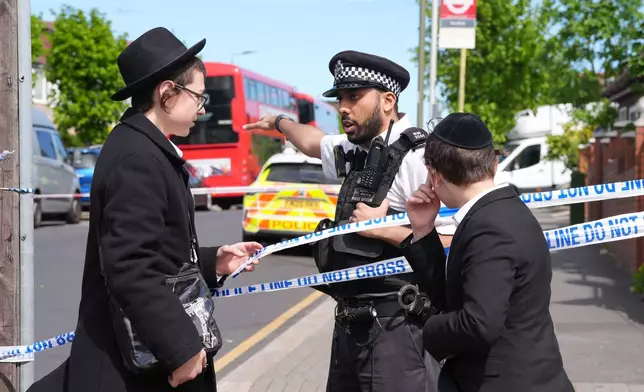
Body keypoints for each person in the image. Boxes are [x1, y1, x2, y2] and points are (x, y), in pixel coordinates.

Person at [27, 27, 263, 392]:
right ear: (168, 93)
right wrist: (182, 348)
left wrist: (212, 260)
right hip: (138, 367)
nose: (202, 109)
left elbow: (158, 251)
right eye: (198, 98)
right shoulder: (137, 158)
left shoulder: (145, 148)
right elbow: (130, 265)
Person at [244, 50, 454, 392]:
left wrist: (385, 230)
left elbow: (458, 241)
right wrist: (280, 122)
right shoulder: (359, 147)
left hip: (399, 330)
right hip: (351, 328)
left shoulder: (419, 159)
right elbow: (313, 143)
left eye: (354, 97)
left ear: (388, 101)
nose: (343, 107)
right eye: (340, 98)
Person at [400, 112, 574, 392]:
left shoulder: (489, 227)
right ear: (493, 163)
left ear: (434, 175)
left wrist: (429, 329)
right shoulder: (504, 210)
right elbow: (456, 298)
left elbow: (479, 323)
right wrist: (423, 231)